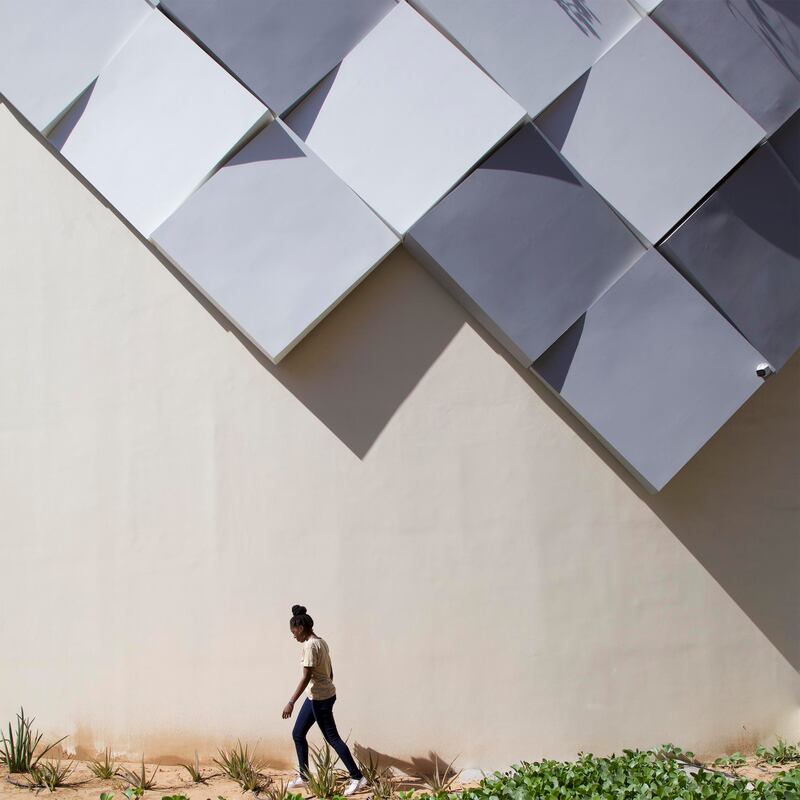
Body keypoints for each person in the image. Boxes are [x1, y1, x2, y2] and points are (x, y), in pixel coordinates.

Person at [282, 605, 366, 796]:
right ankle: (304, 776)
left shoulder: (311, 646)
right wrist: (327, 686)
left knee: (332, 737)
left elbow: (305, 676)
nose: (293, 635)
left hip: (320, 699)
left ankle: (357, 777)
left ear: (300, 628)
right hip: (316, 695)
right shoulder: (321, 641)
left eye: (293, 631)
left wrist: (291, 702)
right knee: (298, 733)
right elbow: (330, 669)